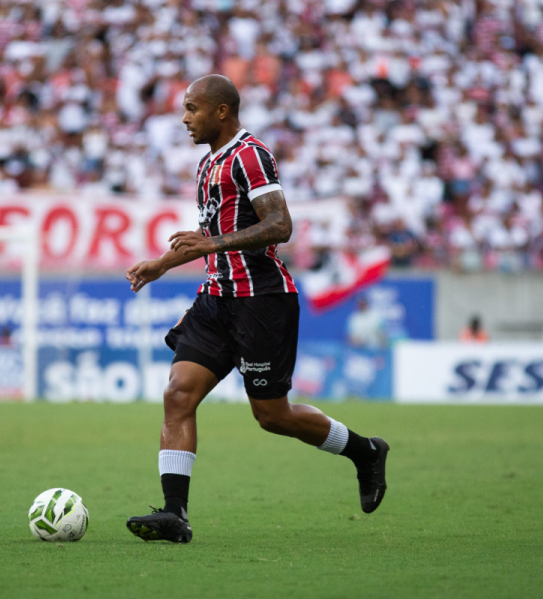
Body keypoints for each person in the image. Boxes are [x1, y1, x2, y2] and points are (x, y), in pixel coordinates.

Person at [124, 75, 389, 544]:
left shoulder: (250, 154)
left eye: (192, 108)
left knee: (272, 415)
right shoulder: (208, 166)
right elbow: (212, 238)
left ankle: (365, 452)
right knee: (178, 395)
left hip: (261, 301)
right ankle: (174, 514)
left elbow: (279, 224)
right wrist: (164, 264)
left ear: (221, 111)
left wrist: (208, 244)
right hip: (217, 298)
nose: (184, 118)